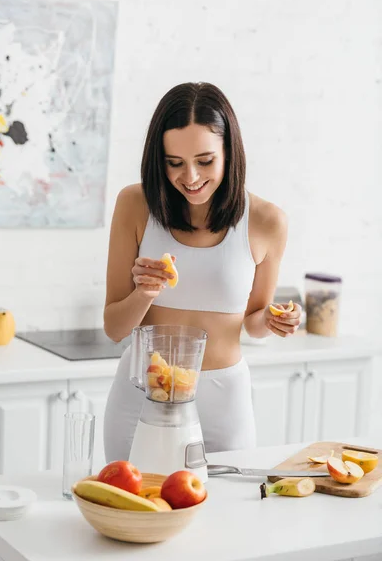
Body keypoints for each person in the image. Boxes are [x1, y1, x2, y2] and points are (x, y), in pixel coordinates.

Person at [103, 82, 302, 462]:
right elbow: (114, 329)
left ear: (230, 151)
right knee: (130, 511)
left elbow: (254, 322)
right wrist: (145, 291)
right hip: (141, 391)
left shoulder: (266, 221)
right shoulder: (135, 204)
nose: (190, 177)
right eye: (174, 163)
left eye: (205, 160)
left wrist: (278, 320)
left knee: (227, 515)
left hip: (223, 399)